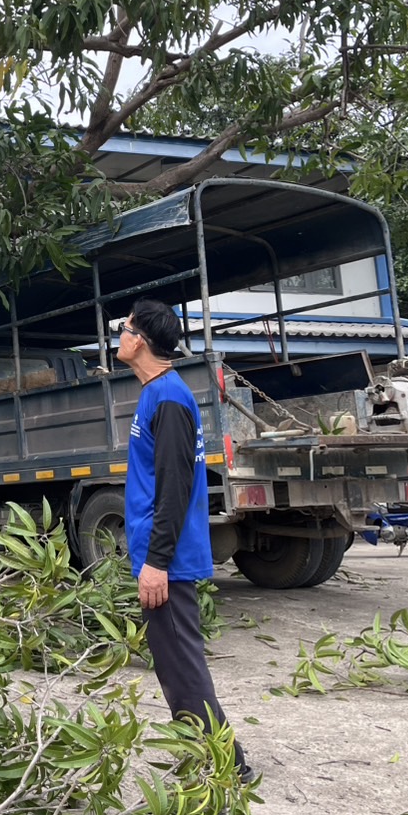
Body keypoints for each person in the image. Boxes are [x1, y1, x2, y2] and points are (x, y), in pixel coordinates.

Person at [116, 298, 256, 784]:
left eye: (124, 328)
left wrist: (157, 562)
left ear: (140, 341)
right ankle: (201, 753)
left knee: (181, 663)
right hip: (161, 556)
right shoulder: (158, 393)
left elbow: (175, 490)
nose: (119, 336)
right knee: (173, 663)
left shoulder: (170, 400)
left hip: (168, 560)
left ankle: (227, 763)